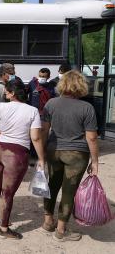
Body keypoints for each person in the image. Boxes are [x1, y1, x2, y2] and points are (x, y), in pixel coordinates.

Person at [0, 80, 45, 240]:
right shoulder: (32, 110)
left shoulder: (1, 106)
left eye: (6, 91)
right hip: (16, 153)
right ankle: (4, 229)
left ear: (13, 93)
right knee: (7, 193)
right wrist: (41, 158)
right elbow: (35, 137)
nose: (4, 93)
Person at [41, 70, 99, 242]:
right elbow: (92, 137)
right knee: (68, 191)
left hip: (54, 150)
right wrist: (95, 161)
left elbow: (44, 130)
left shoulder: (50, 104)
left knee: (52, 186)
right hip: (77, 154)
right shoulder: (87, 108)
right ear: (80, 85)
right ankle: (61, 231)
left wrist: (42, 153)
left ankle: (47, 222)